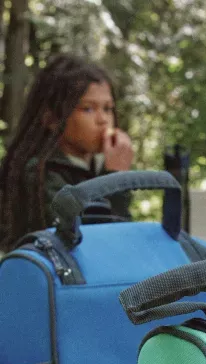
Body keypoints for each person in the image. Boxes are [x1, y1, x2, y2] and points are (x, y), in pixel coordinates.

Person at [0, 54, 134, 251]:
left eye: (107, 108)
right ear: (52, 119)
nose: (103, 119)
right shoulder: (40, 173)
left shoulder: (98, 166)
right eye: (88, 109)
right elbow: (88, 244)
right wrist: (115, 179)